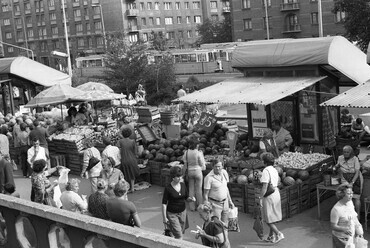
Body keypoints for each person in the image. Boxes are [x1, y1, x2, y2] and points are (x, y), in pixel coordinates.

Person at [257, 152, 284, 243]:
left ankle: (278, 233)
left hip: (269, 195)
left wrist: (260, 198)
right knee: (272, 217)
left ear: (264, 162)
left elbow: (265, 187)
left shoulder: (265, 171)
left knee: (267, 219)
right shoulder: (274, 169)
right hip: (276, 192)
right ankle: (271, 236)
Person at [162, 166, 195, 239]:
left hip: (183, 212)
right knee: (179, 234)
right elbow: (164, 204)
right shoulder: (168, 188)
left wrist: (191, 199)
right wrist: (164, 218)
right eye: (178, 177)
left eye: (181, 176)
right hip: (172, 214)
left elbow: (186, 198)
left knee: (181, 231)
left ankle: (172, 238)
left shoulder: (183, 185)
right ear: (173, 177)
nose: (180, 178)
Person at [330, 183, 364, 247]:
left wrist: (359, 230)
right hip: (340, 239)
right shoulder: (336, 210)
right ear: (342, 194)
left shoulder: (350, 203)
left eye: (352, 193)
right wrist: (343, 229)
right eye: (348, 194)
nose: (351, 195)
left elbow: (354, 217)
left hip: (350, 236)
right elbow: (333, 226)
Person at [203, 160, 234, 226]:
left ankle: (225, 236)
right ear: (212, 167)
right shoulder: (208, 178)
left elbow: (226, 188)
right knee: (216, 225)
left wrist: (230, 201)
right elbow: (206, 193)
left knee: (225, 224)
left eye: (219, 166)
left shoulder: (224, 173)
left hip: (225, 203)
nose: (217, 168)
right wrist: (206, 203)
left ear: (222, 166)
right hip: (215, 204)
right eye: (215, 167)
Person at [334, 145, 363, 214]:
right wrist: (335, 167)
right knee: (344, 196)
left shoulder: (355, 159)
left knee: (356, 197)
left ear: (351, 153)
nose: (345, 153)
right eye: (344, 152)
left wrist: (352, 183)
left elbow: (357, 172)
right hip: (344, 178)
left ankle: (357, 215)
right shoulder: (340, 158)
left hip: (355, 178)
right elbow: (337, 165)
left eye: (347, 152)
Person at [182, 139, 205, 211]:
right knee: (199, 189)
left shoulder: (186, 152)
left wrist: (183, 174)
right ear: (196, 145)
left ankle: (192, 207)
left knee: (191, 189)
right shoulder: (198, 153)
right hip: (198, 171)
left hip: (190, 172)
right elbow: (201, 163)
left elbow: (185, 165)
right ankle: (200, 206)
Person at [117, 127, 139, 193]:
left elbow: (117, 150)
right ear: (129, 134)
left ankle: (126, 188)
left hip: (124, 159)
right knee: (132, 174)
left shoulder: (120, 141)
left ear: (123, 134)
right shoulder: (132, 141)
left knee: (125, 174)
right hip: (132, 160)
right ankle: (132, 188)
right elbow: (135, 152)